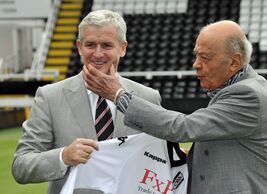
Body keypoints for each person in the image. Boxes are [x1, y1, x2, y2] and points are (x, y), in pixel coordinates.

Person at [84, 20, 267, 193]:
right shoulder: (235, 87)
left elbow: (184, 127)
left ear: (234, 62)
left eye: (205, 57)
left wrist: (119, 95)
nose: (196, 64)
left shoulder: (248, 94)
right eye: (196, 55)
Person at [12, 10, 161, 194]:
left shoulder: (148, 97)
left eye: (107, 45)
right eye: (90, 45)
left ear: (122, 48)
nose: (98, 54)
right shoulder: (50, 97)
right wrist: (63, 156)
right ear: (79, 46)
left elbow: (159, 160)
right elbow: (21, 165)